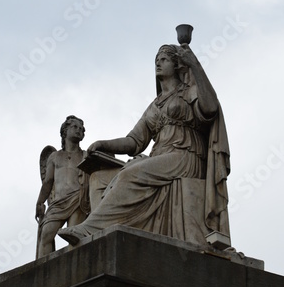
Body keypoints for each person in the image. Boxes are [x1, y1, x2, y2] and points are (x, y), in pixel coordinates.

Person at [58, 44, 230, 247]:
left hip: (185, 156)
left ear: (176, 65)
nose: (158, 62)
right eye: (156, 59)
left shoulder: (189, 92)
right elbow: (134, 142)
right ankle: (101, 235)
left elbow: (210, 108)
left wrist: (194, 64)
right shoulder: (154, 106)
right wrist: (104, 144)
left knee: (130, 174)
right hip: (160, 158)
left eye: (164, 59)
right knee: (99, 178)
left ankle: (89, 228)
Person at [35, 115, 90, 258]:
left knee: (73, 235)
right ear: (65, 131)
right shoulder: (54, 157)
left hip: (78, 199)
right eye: (75, 127)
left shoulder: (86, 156)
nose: (79, 131)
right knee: (45, 236)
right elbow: (48, 182)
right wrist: (40, 201)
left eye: (81, 129)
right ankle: (43, 270)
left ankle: (73, 270)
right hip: (57, 203)